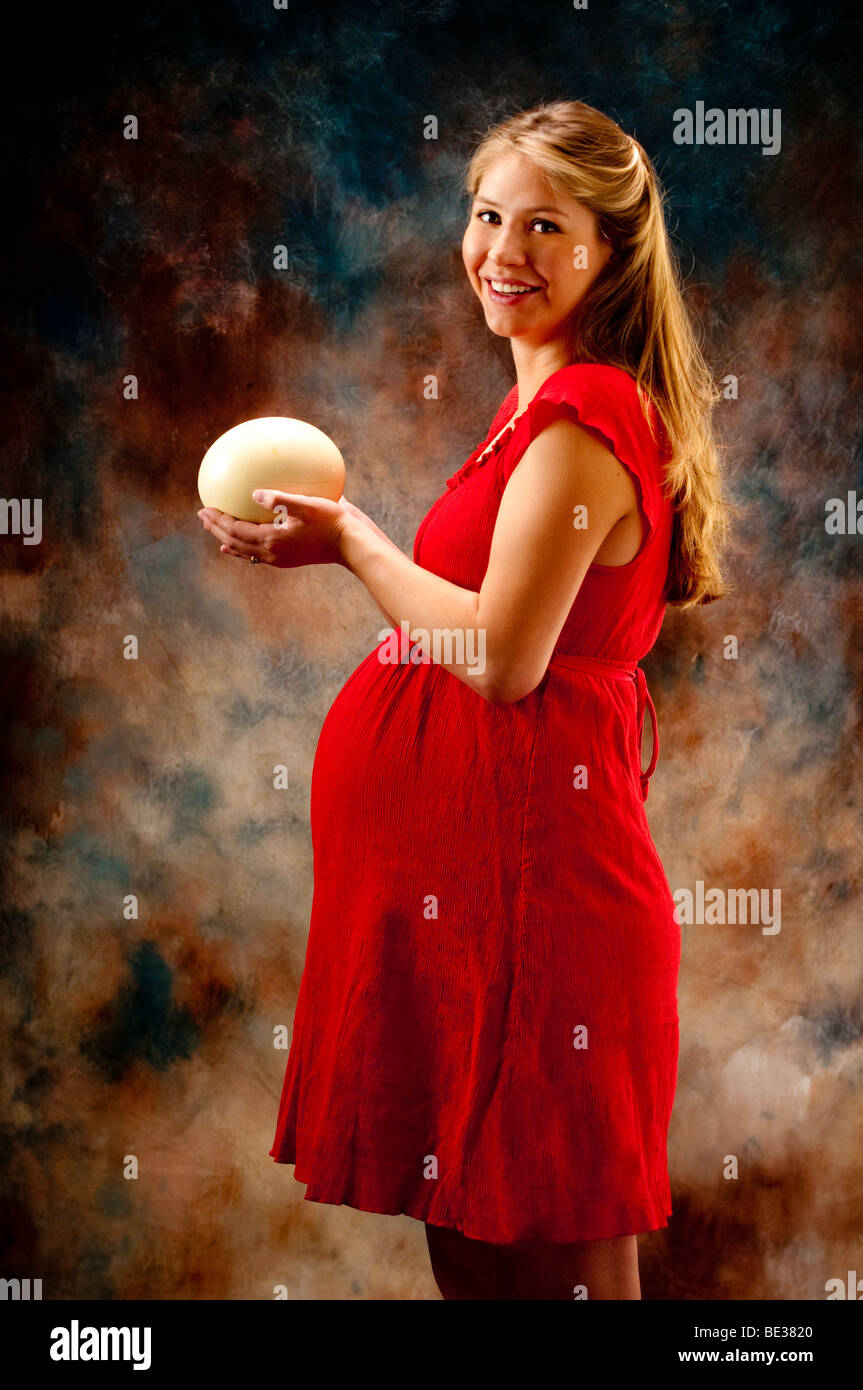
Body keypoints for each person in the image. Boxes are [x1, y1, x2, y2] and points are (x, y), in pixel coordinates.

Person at [198, 99, 732, 1300]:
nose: (503, 250)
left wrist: (352, 544)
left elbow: (500, 659)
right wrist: (333, 552)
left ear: (607, 250)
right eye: (487, 215)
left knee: (561, 1247)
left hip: (541, 901)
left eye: (545, 225)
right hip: (473, 898)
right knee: (478, 1241)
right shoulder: (528, 413)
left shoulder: (585, 418)